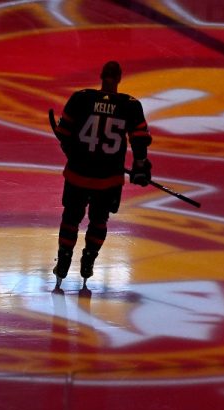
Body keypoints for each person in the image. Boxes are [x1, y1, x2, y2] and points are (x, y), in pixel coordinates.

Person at [52, 60, 152, 294]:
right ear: (119, 78)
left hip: (78, 173)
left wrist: (71, 149)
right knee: (99, 221)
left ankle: (64, 259)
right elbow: (139, 139)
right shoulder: (130, 105)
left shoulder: (80, 98)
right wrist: (140, 166)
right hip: (108, 179)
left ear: (100, 75)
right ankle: (89, 261)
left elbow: (65, 135)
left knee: (70, 219)